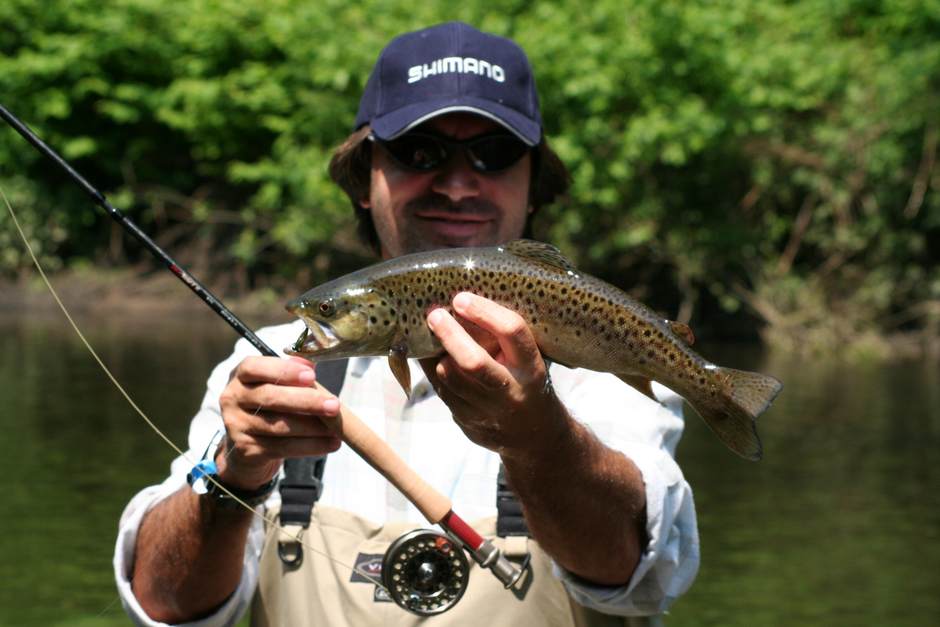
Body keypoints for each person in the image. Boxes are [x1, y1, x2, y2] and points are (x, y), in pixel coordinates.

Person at [114, 22, 699, 626]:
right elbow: (164, 608)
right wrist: (234, 480)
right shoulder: (267, 368)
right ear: (363, 176)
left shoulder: (601, 366)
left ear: (535, 183)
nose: (456, 182)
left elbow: (637, 578)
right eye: (420, 153)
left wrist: (539, 440)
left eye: (493, 154)